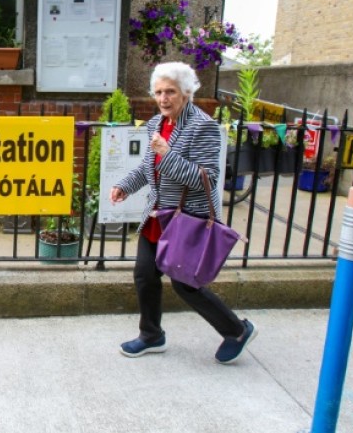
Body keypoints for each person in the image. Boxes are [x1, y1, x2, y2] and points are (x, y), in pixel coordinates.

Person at [109, 61, 257, 364]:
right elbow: (149, 167)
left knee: (185, 284)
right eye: (158, 92)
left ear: (186, 92)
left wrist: (168, 154)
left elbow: (207, 178)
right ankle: (151, 336)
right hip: (158, 215)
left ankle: (237, 330)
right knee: (145, 276)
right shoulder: (155, 124)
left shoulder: (203, 127)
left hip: (187, 217)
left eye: (170, 92)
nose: (163, 98)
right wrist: (125, 186)